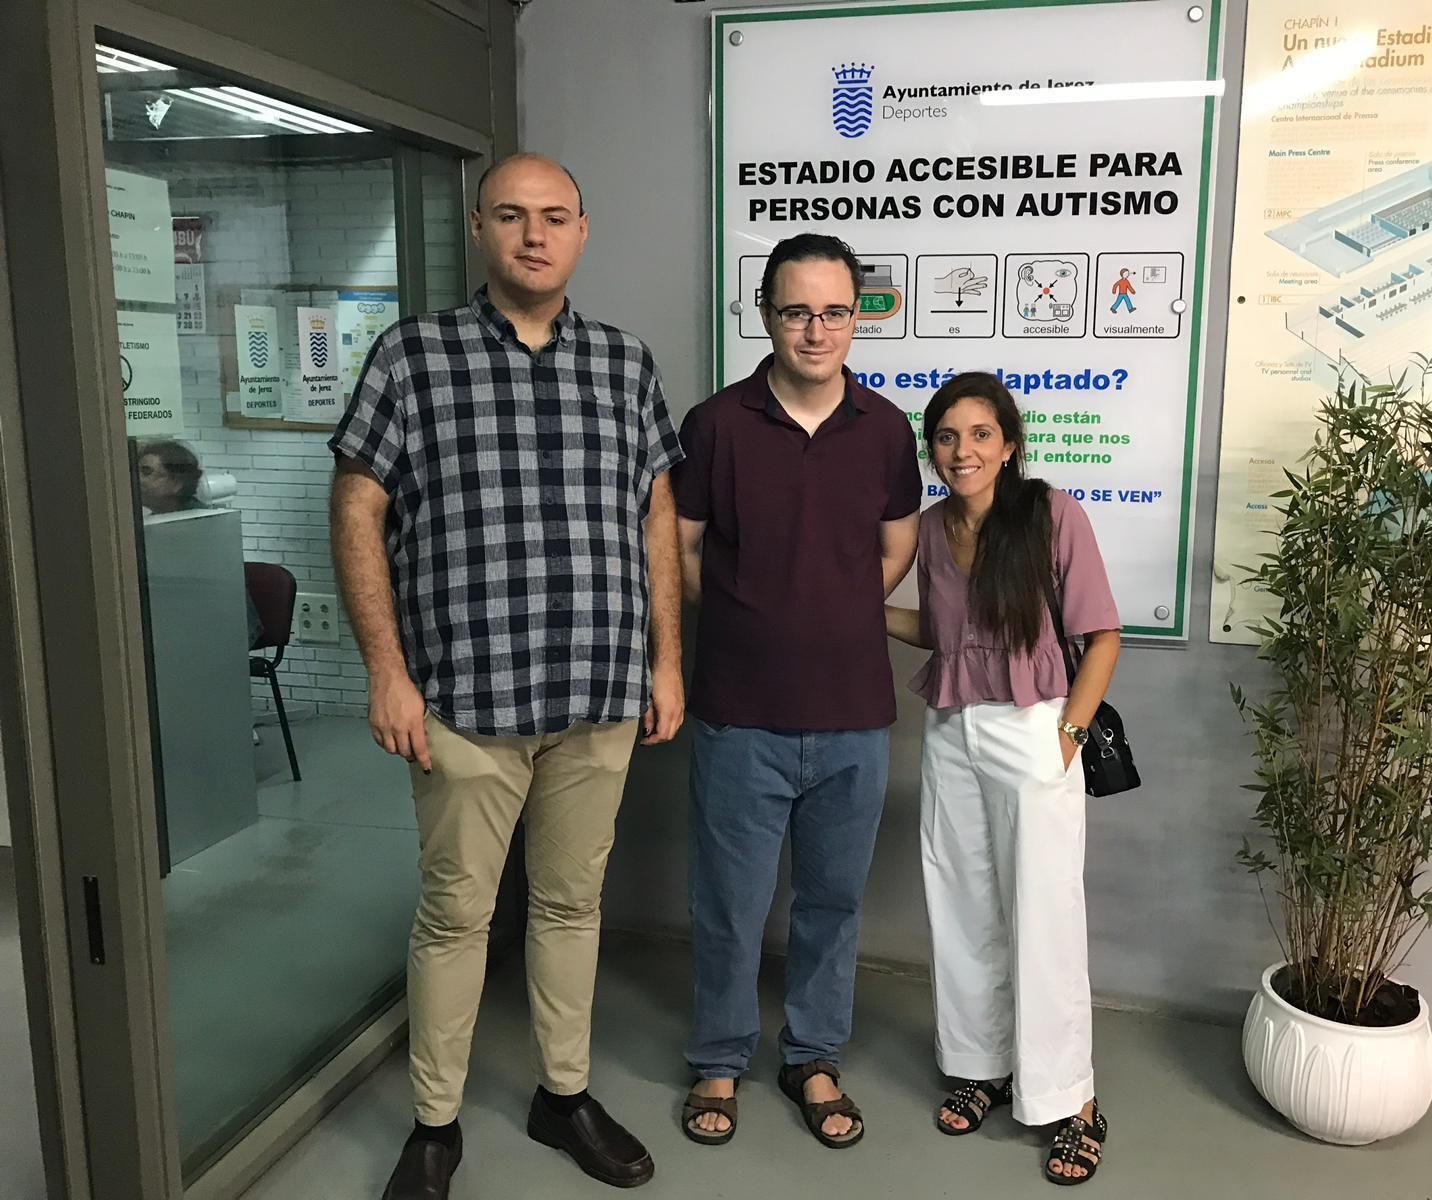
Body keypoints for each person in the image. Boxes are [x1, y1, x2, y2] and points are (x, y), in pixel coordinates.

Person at [329, 153, 684, 1200]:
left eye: (556, 217)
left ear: (583, 230)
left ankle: (561, 1095)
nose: (535, 234)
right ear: (480, 228)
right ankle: (435, 1125)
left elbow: (656, 513)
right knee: (455, 918)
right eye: (514, 216)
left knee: (573, 908)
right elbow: (358, 510)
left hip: (598, 692)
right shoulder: (411, 357)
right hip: (463, 699)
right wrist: (386, 673)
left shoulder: (624, 364)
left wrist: (667, 659)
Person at [674, 233, 921, 1149]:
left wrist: (834, 606)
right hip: (740, 714)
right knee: (729, 906)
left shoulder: (888, 430)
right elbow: (683, 549)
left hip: (855, 715)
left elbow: (895, 549)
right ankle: (718, 1059)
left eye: (833, 312)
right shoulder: (716, 425)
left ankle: (813, 1055)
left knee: (832, 905)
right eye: (795, 311)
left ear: (856, 317)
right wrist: (752, 609)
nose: (815, 331)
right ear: (765, 315)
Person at [885, 372, 1121, 1186]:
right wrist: (862, 605)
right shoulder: (928, 526)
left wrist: (1066, 736)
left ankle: (1071, 1099)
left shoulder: (1052, 515)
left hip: (1035, 728)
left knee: (1044, 915)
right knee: (961, 904)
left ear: (1010, 443)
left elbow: (1103, 636)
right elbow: (944, 635)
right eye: (947, 437)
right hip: (952, 730)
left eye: (980, 434)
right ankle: (981, 1064)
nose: (963, 451)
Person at [137, 439, 203, 514]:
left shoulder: (200, 519)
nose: (136, 479)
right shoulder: (162, 516)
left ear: (176, 483)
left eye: (146, 472)